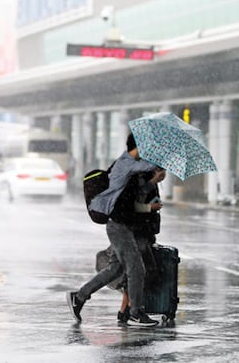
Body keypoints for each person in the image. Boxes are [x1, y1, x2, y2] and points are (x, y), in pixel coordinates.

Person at [67, 133, 165, 327]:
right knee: (136, 268)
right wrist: (159, 165)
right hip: (119, 226)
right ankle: (135, 313)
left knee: (115, 269)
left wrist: (153, 182)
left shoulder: (130, 168)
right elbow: (144, 171)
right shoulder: (124, 163)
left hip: (124, 225)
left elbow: (133, 196)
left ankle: (79, 297)